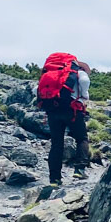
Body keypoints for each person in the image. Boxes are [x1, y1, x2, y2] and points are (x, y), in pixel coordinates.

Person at [39, 55, 92, 186]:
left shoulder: (50, 74)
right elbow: (85, 81)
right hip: (72, 110)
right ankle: (79, 169)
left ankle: (54, 179)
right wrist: (84, 96)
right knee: (81, 138)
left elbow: (37, 90)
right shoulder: (78, 73)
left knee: (56, 144)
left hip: (53, 111)